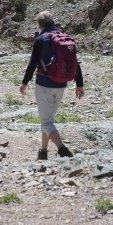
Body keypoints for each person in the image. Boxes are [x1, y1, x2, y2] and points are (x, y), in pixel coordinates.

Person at [19, 11, 84, 159]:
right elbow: (75, 63)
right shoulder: (64, 38)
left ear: (40, 24)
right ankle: (43, 152)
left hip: (44, 85)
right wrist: (79, 84)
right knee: (48, 120)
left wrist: (24, 83)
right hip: (61, 85)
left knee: (47, 121)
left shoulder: (41, 39)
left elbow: (32, 64)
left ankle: (62, 149)